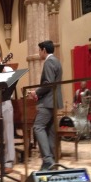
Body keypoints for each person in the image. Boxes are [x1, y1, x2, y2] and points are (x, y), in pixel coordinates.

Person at [28, 40, 63, 171]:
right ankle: (51, 164)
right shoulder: (57, 61)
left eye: (39, 50)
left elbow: (48, 83)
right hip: (55, 101)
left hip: (47, 102)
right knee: (50, 132)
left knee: (38, 127)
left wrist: (36, 92)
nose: (39, 53)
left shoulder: (49, 61)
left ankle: (48, 160)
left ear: (44, 50)